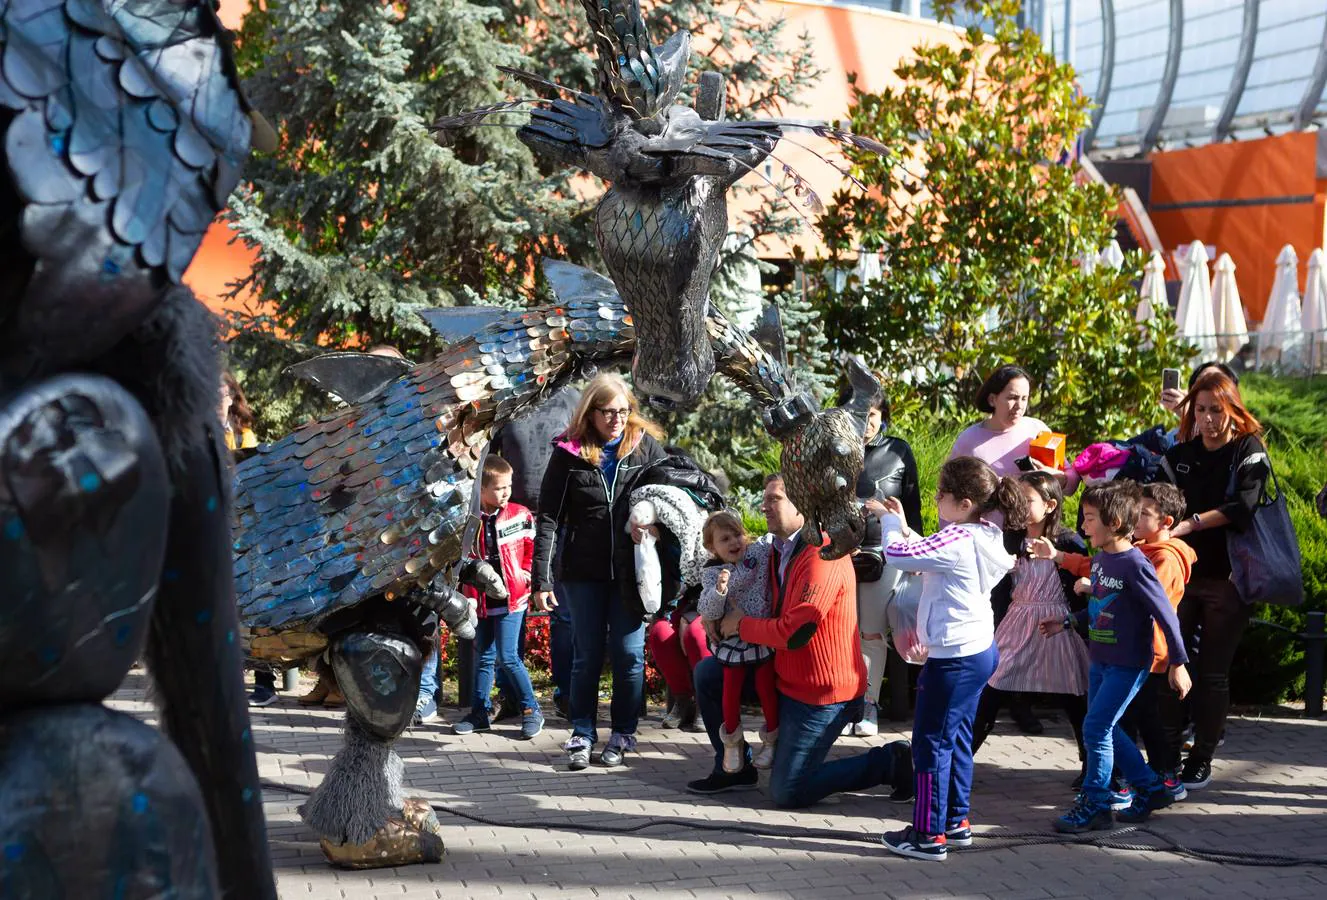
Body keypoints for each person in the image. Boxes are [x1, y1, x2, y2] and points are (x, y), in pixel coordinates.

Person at [686, 475, 912, 808]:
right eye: (765, 499)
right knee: (709, 674)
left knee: (789, 789)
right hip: (784, 676)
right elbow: (735, 584)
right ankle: (737, 769)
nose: (764, 506)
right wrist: (713, 615)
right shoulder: (772, 550)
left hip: (821, 693)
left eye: (774, 499)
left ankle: (891, 762)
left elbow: (795, 631)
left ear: (803, 504)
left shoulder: (823, 554)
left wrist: (740, 626)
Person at [871, 457, 1025, 862]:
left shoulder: (958, 539)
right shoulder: (985, 533)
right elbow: (927, 551)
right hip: (976, 652)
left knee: (930, 745)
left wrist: (890, 529)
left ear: (965, 502)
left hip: (953, 659)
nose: (936, 499)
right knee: (954, 740)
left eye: (942, 494)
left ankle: (927, 835)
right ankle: (955, 822)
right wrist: (902, 525)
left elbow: (902, 556)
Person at [531, 374, 667, 770]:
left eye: (624, 411)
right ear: (590, 413)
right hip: (583, 572)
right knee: (586, 656)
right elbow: (549, 519)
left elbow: (673, 498)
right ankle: (582, 733)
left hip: (632, 573)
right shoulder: (568, 452)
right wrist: (541, 579)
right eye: (609, 412)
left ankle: (623, 732)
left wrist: (657, 527)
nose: (617, 420)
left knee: (628, 656)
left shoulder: (644, 447)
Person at [1038, 482, 1191, 833]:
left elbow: (1165, 614)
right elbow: (1104, 607)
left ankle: (1096, 802)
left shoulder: (1136, 564)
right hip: (1101, 658)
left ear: (1116, 522)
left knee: (1096, 727)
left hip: (1128, 662)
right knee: (1105, 727)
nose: (1084, 526)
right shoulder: (1104, 559)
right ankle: (1151, 788)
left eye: (1090, 519)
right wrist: (1068, 622)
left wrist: (1178, 664)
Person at [1155, 369, 1270, 792]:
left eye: (1216, 410)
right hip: (1179, 576)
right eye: (1201, 410)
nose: (1208, 418)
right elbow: (1159, 502)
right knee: (1170, 664)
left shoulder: (1248, 450)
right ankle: (1165, 756)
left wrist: (1191, 524)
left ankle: (1201, 757)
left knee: (1213, 674)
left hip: (1229, 576)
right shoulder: (1179, 454)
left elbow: (1244, 506)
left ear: (1232, 410)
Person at [947, 365, 1078, 735]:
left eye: (1024, 397)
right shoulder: (971, 439)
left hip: (1030, 541)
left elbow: (1066, 484)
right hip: (986, 540)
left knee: (1030, 620)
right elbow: (952, 492)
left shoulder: (1038, 431)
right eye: (1011, 397)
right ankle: (991, 696)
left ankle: (1022, 703)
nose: (1019, 405)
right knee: (997, 619)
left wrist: (1051, 476)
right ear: (992, 398)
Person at [971, 472, 1089, 772]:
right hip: (1018, 620)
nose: (1021, 506)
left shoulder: (1068, 541)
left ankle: (1090, 765)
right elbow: (999, 586)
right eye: (1018, 499)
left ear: (1050, 505)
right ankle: (960, 760)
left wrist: (1075, 621)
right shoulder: (1011, 538)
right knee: (992, 685)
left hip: (1057, 622)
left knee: (1074, 692)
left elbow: (1084, 582)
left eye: (1028, 500)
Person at [844, 386, 922, 737]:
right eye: (859, 415)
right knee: (840, 633)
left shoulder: (898, 451)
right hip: (839, 553)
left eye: (872, 415)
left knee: (871, 632)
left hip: (883, 555)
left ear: (882, 415)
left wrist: (916, 552)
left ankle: (868, 705)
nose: (866, 423)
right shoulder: (835, 450)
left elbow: (912, 508)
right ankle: (843, 703)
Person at [449, 456, 544, 739]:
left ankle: (531, 710)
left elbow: (531, 546)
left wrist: (527, 571)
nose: (507, 493)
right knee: (484, 656)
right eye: (500, 488)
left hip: (513, 598)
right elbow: (466, 563)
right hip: (484, 601)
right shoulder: (471, 521)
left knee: (508, 656)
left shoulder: (520, 514)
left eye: (509, 486)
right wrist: (471, 595)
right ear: (481, 489)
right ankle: (480, 712)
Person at [696, 511, 779, 771]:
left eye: (738, 535)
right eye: (725, 539)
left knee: (767, 689)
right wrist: (720, 590)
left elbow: (774, 536)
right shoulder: (712, 573)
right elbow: (707, 610)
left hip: (760, 635)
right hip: (734, 641)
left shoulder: (758, 554)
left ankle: (772, 741)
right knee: (730, 691)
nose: (734, 542)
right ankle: (732, 744)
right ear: (712, 547)